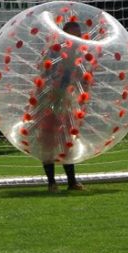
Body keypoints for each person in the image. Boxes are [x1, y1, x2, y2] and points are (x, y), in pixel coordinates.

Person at [32, 15, 87, 191]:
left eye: (79, 34)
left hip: (67, 100)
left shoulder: (81, 54)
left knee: (66, 139)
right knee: (48, 139)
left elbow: (81, 78)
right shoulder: (54, 51)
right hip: (49, 99)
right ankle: (51, 183)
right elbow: (44, 73)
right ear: (65, 34)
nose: (77, 37)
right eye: (74, 34)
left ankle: (72, 182)